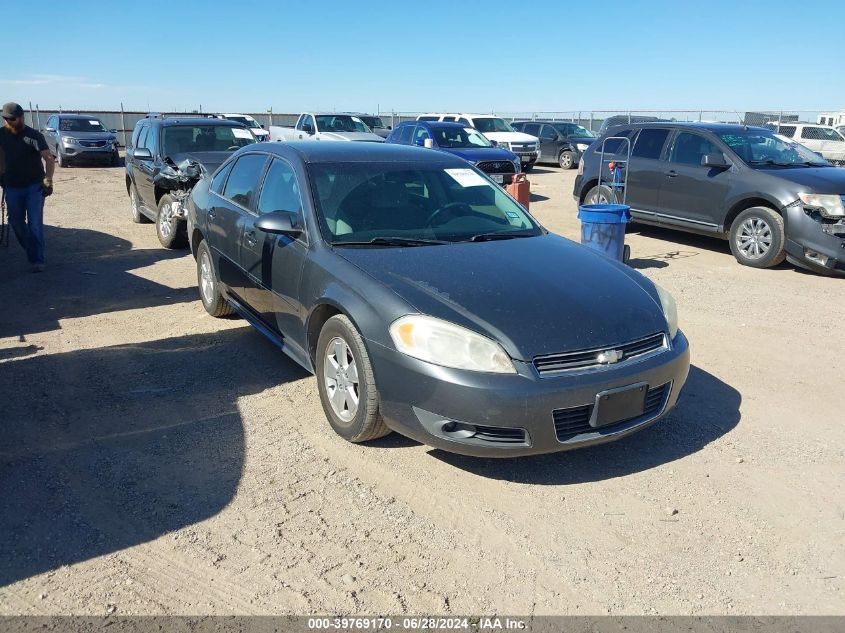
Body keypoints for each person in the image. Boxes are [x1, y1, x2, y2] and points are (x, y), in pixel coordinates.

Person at [0, 102, 55, 271]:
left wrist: (48, 180)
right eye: (6, 119)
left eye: (13, 119)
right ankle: (32, 250)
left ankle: (37, 260)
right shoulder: (1, 135)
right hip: (12, 187)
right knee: (15, 222)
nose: (9, 122)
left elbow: (49, 158)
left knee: (35, 224)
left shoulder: (33, 136)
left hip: (34, 187)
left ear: (22, 118)